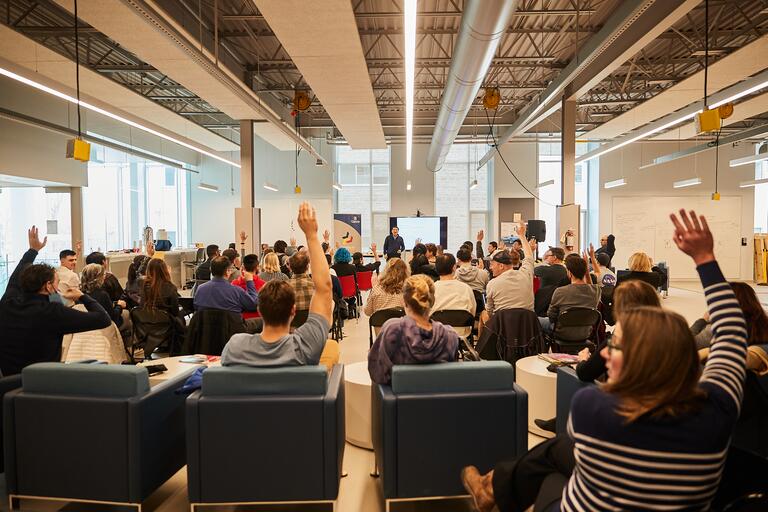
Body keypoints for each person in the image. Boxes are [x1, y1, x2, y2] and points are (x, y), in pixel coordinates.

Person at [461, 209, 748, 512]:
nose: (607, 350)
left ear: (644, 361)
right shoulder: (718, 409)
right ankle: (493, 486)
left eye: (619, 347)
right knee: (558, 448)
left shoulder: (595, 408)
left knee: (553, 469)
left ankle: (494, 488)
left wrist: (704, 257)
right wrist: (705, 259)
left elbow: (731, 331)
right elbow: (732, 332)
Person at [534, 279, 661, 434]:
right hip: (654, 403)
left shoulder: (618, 342)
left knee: (581, 373)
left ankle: (564, 420)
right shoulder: (668, 336)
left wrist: (583, 359)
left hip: (619, 407)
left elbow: (585, 373)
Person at [221, 202, 338, 370]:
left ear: (259, 310)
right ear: (293, 310)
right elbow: (324, 288)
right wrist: (311, 235)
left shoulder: (235, 347)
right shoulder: (306, 345)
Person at [0, 227, 111, 375]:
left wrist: (32, 251)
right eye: (57, 282)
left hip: (8, 385)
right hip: (44, 384)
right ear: (48, 286)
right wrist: (82, 296)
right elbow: (103, 319)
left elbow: (15, 279)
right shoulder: (52, 312)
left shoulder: (7, 303)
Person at [368, 274, 459, 385]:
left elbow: (378, 374)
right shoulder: (450, 336)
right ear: (432, 301)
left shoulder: (392, 331)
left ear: (404, 301)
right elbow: (452, 376)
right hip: (439, 400)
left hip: (401, 400)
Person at [194, 256, 260, 331]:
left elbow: (197, 307)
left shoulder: (200, 289)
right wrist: (250, 282)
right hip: (232, 330)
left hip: (206, 331)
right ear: (227, 271)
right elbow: (253, 305)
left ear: (211, 270)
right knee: (261, 322)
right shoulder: (236, 291)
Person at [539, 253, 601, 333]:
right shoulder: (596, 291)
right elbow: (591, 286)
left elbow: (551, 317)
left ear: (569, 273)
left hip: (562, 332)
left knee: (535, 320)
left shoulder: (560, 291)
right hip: (586, 332)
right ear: (585, 271)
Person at [482, 224, 534, 319]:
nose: (490, 267)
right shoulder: (526, 274)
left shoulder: (492, 284)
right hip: (528, 329)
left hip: (503, 330)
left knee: (484, 314)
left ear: (501, 266)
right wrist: (522, 236)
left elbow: (490, 312)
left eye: (492, 264)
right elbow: (529, 256)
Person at [431, 254, 476, 337]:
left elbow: (427, 314)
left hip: (437, 334)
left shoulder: (431, 289)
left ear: (436, 268)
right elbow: (472, 312)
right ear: (454, 267)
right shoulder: (466, 288)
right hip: (462, 335)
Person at [141, 258, 186, 334]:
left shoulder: (143, 286)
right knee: (181, 312)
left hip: (148, 325)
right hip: (166, 327)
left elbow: (141, 306)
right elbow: (175, 312)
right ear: (164, 271)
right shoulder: (170, 288)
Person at [80, 263, 127, 330]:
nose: (104, 276)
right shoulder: (102, 294)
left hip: (90, 324)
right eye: (103, 274)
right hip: (104, 325)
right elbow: (113, 316)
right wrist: (119, 306)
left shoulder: (80, 292)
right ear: (98, 277)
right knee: (127, 315)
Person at [231, 254, 266, 321]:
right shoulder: (264, 285)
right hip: (259, 321)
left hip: (240, 321)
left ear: (243, 267)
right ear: (257, 267)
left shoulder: (234, 284)